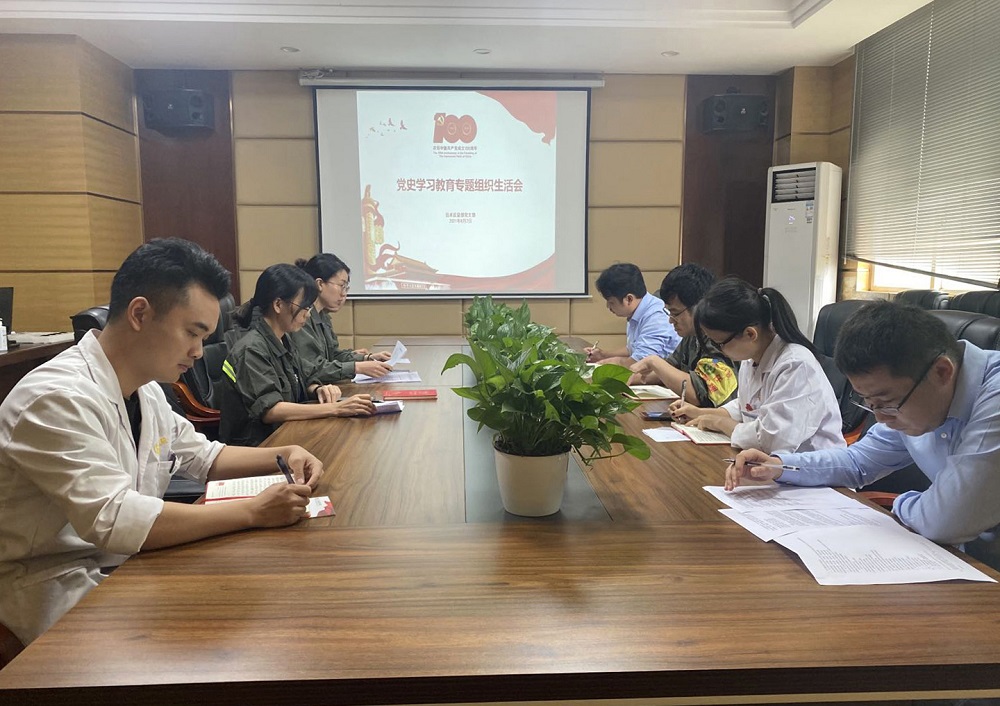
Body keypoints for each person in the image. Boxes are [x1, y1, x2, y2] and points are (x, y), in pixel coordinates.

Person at [0, 239, 324, 648]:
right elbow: (115, 518)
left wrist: (284, 453)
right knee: (228, 636)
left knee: (259, 604)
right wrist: (252, 512)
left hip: (124, 565)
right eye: (192, 333)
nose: (198, 351)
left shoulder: (146, 390)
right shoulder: (55, 398)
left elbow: (205, 456)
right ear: (140, 313)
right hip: (49, 584)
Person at [726, 301, 1000, 571]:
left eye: (886, 403)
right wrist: (779, 466)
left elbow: (947, 520)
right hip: (962, 557)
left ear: (942, 372)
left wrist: (901, 503)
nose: (880, 418)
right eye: (870, 405)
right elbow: (858, 462)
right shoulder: (913, 395)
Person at [669, 277, 844, 454]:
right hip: (770, 462)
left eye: (719, 343)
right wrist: (701, 413)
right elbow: (747, 407)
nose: (718, 350)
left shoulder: (795, 365)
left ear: (750, 334)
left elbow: (773, 439)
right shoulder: (751, 359)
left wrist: (720, 423)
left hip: (809, 466)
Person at [218, 263, 376, 447]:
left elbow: (303, 375)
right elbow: (271, 411)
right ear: (278, 305)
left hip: (287, 434)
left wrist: (317, 389)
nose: (307, 315)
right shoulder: (251, 349)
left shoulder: (283, 339)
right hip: (259, 446)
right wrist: (335, 408)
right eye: (304, 307)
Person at [628, 263, 738, 407]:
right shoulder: (692, 335)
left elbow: (702, 395)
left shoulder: (720, 338)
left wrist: (654, 362)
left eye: (675, 313)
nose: (670, 320)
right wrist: (627, 378)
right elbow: (670, 369)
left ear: (699, 306)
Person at [291, 253, 393, 382]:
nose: (344, 294)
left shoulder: (323, 316)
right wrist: (356, 367)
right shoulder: (302, 317)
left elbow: (333, 355)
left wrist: (367, 358)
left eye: (346, 288)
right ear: (320, 284)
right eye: (341, 286)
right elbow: (311, 368)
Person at [586, 262, 680, 366]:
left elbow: (640, 363)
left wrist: (609, 363)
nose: (608, 306)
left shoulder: (656, 319)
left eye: (611, 302)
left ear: (629, 299)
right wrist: (603, 355)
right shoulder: (638, 310)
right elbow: (634, 349)